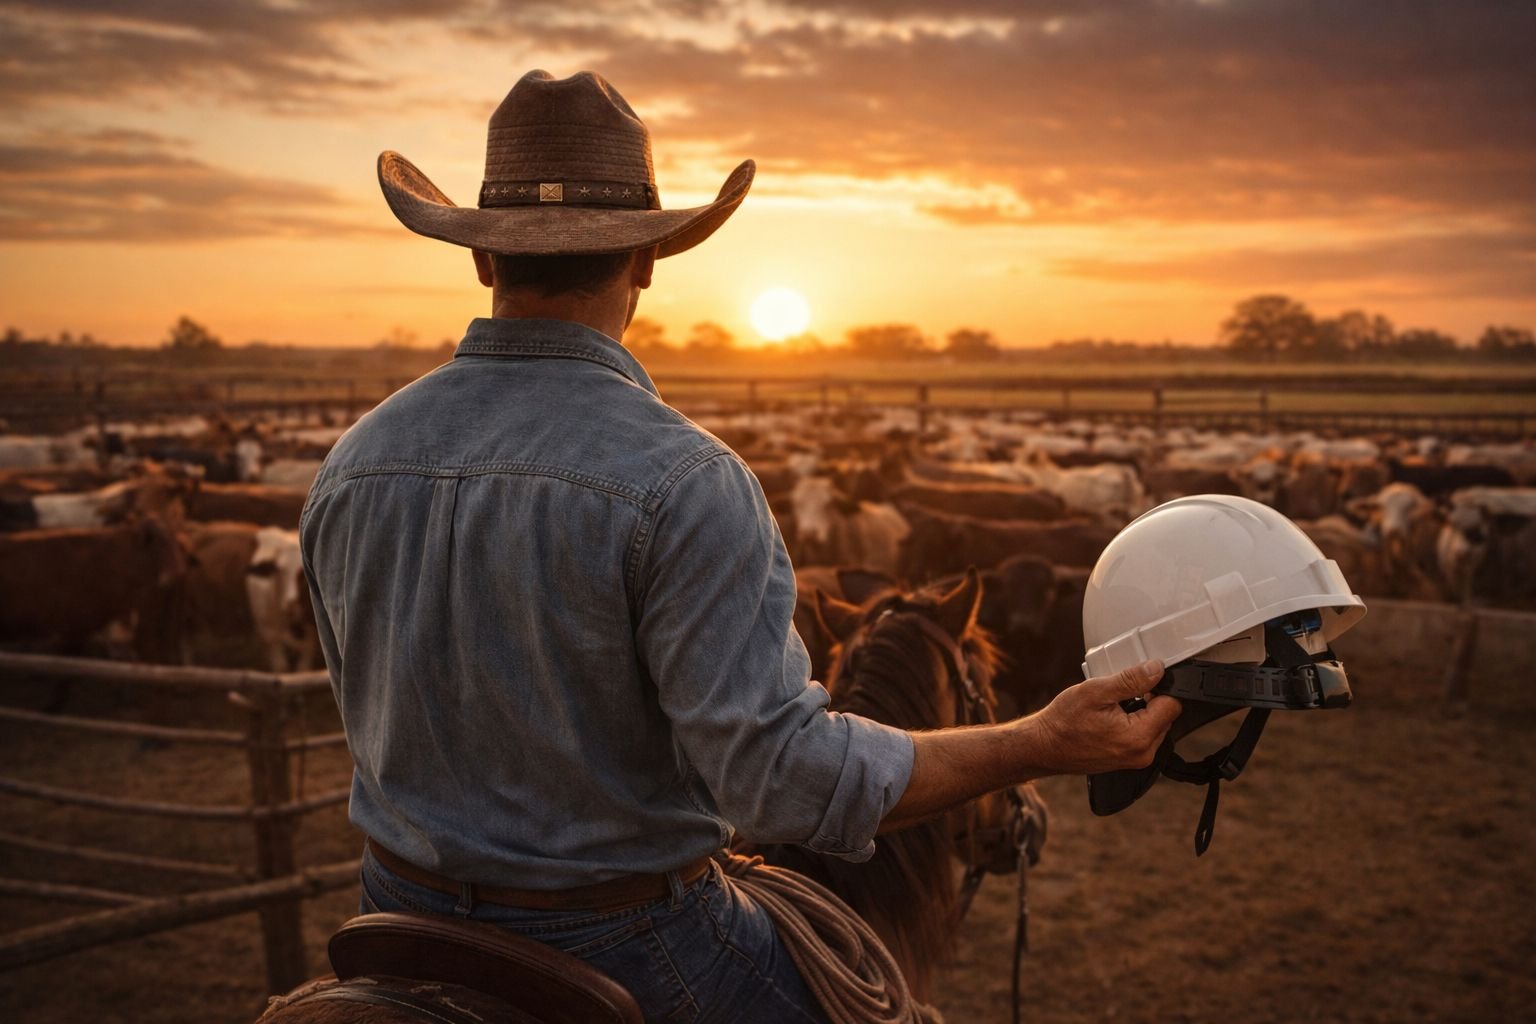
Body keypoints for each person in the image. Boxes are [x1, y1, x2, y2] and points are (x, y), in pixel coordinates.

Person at [299, 69, 1180, 1023]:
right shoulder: (685, 481)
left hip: (399, 913)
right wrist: (1038, 741)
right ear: (647, 259)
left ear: (480, 260)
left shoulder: (354, 462)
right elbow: (785, 786)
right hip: (626, 938)